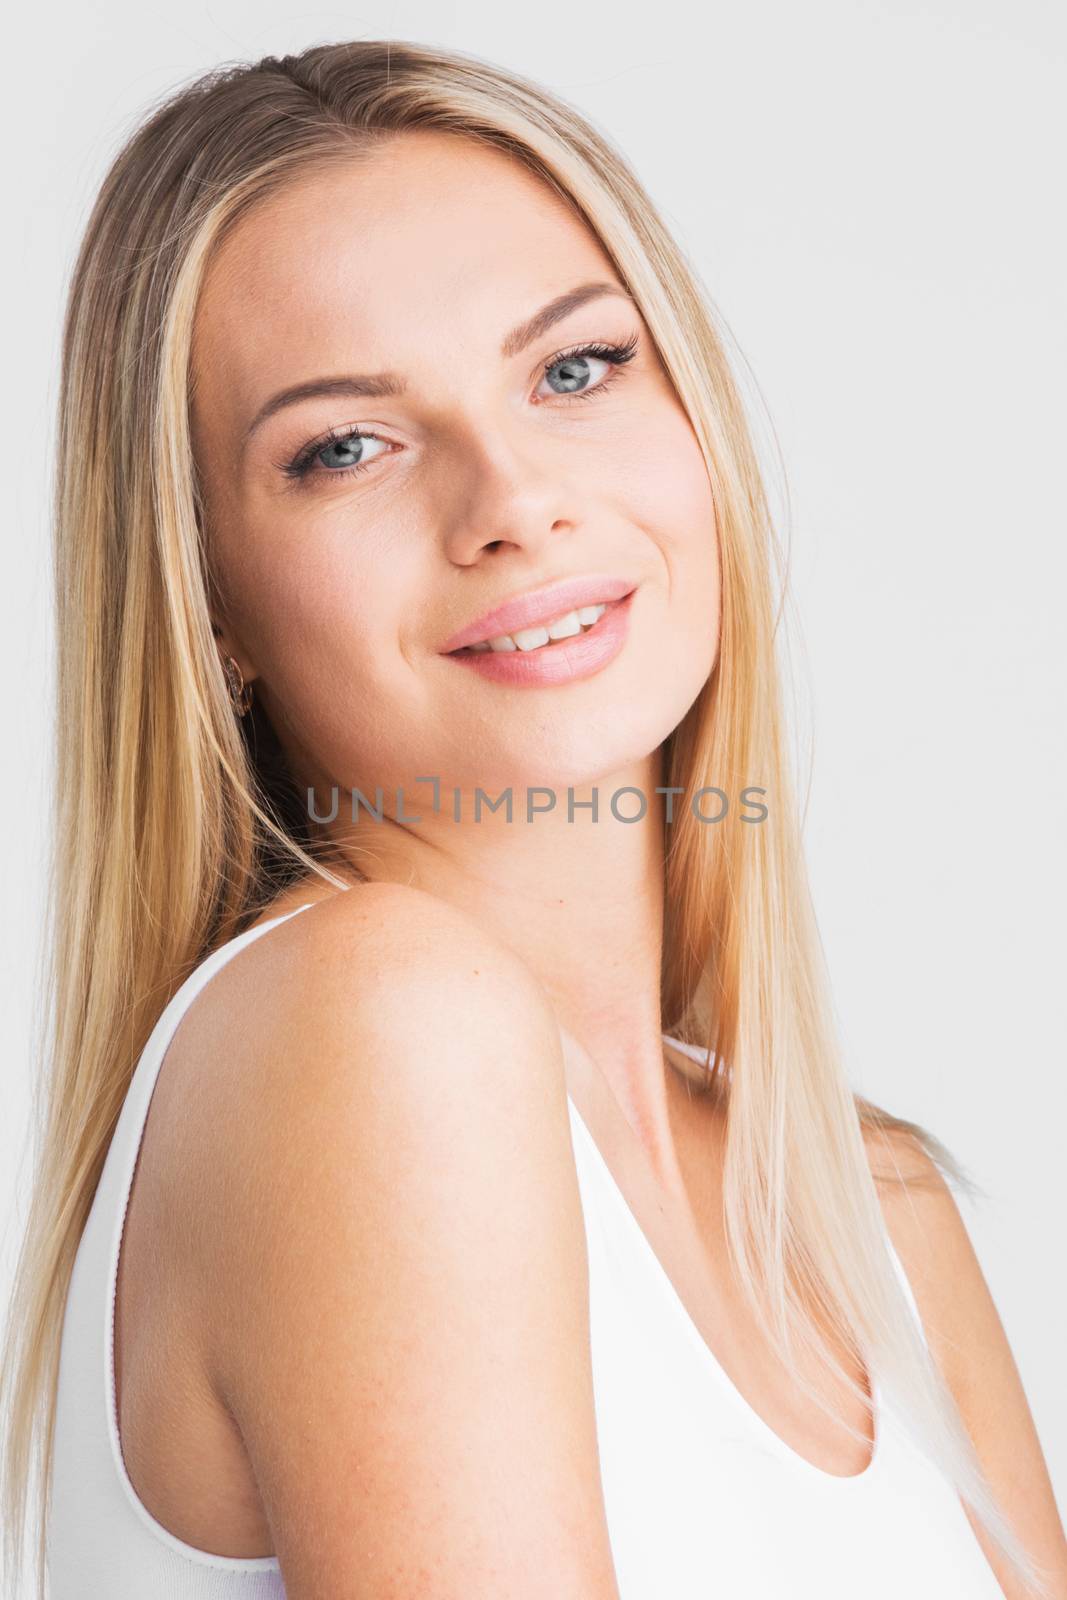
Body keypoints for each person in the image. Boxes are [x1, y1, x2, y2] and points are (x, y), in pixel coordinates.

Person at [2, 38, 1064, 1600]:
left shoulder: (869, 1207)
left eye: (576, 367)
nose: (513, 496)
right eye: (343, 447)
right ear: (209, 602)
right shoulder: (371, 1021)